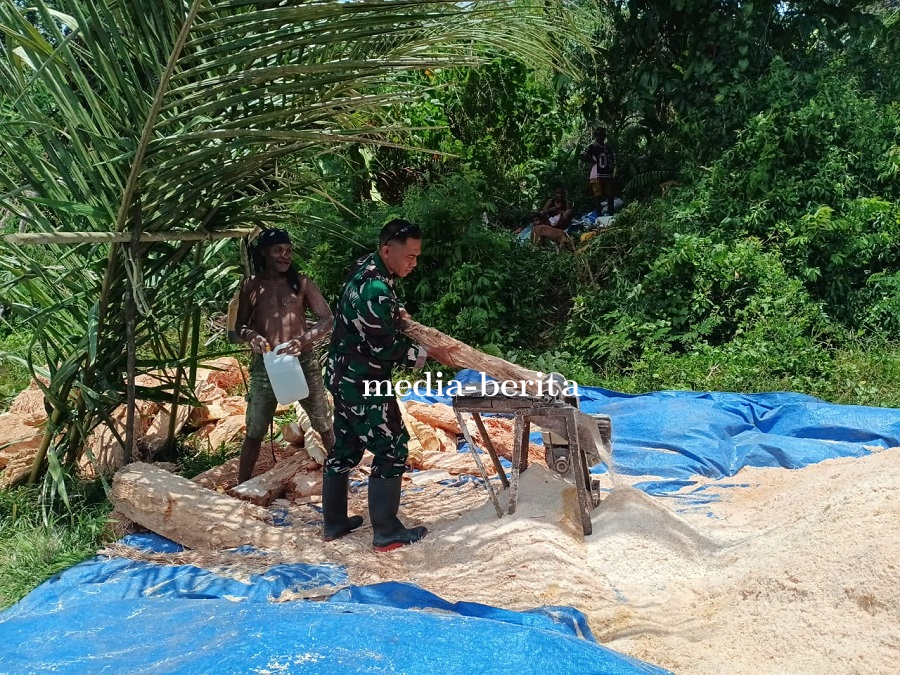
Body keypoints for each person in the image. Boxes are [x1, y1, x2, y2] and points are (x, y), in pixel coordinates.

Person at [324, 219, 453, 550]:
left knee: (345, 447)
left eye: (417, 256)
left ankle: (335, 523)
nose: (414, 263)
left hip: (341, 375)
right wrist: (430, 353)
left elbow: (374, 317)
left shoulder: (367, 268)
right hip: (364, 381)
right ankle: (386, 531)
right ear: (387, 250)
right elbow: (384, 347)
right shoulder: (376, 290)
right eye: (409, 256)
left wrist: (396, 314)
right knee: (392, 447)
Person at [234, 228, 335, 484]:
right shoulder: (251, 286)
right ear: (264, 253)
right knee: (255, 429)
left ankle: (341, 477)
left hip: (303, 362)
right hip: (267, 364)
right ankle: (241, 484)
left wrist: (303, 340)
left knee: (323, 423)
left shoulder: (302, 283)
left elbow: (328, 319)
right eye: (279, 250)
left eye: (288, 251)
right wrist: (252, 337)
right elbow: (239, 326)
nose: (285, 255)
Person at [580, 127, 617, 216]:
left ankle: (610, 216)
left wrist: (613, 169)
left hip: (607, 175)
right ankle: (599, 218)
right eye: (598, 135)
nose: (600, 137)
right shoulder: (592, 146)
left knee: (610, 196)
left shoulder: (608, 147)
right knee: (598, 197)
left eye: (602, 135)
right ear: (595, 136)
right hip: (596, 174)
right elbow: (581, 155)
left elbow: (613, 160)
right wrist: (592, 161)